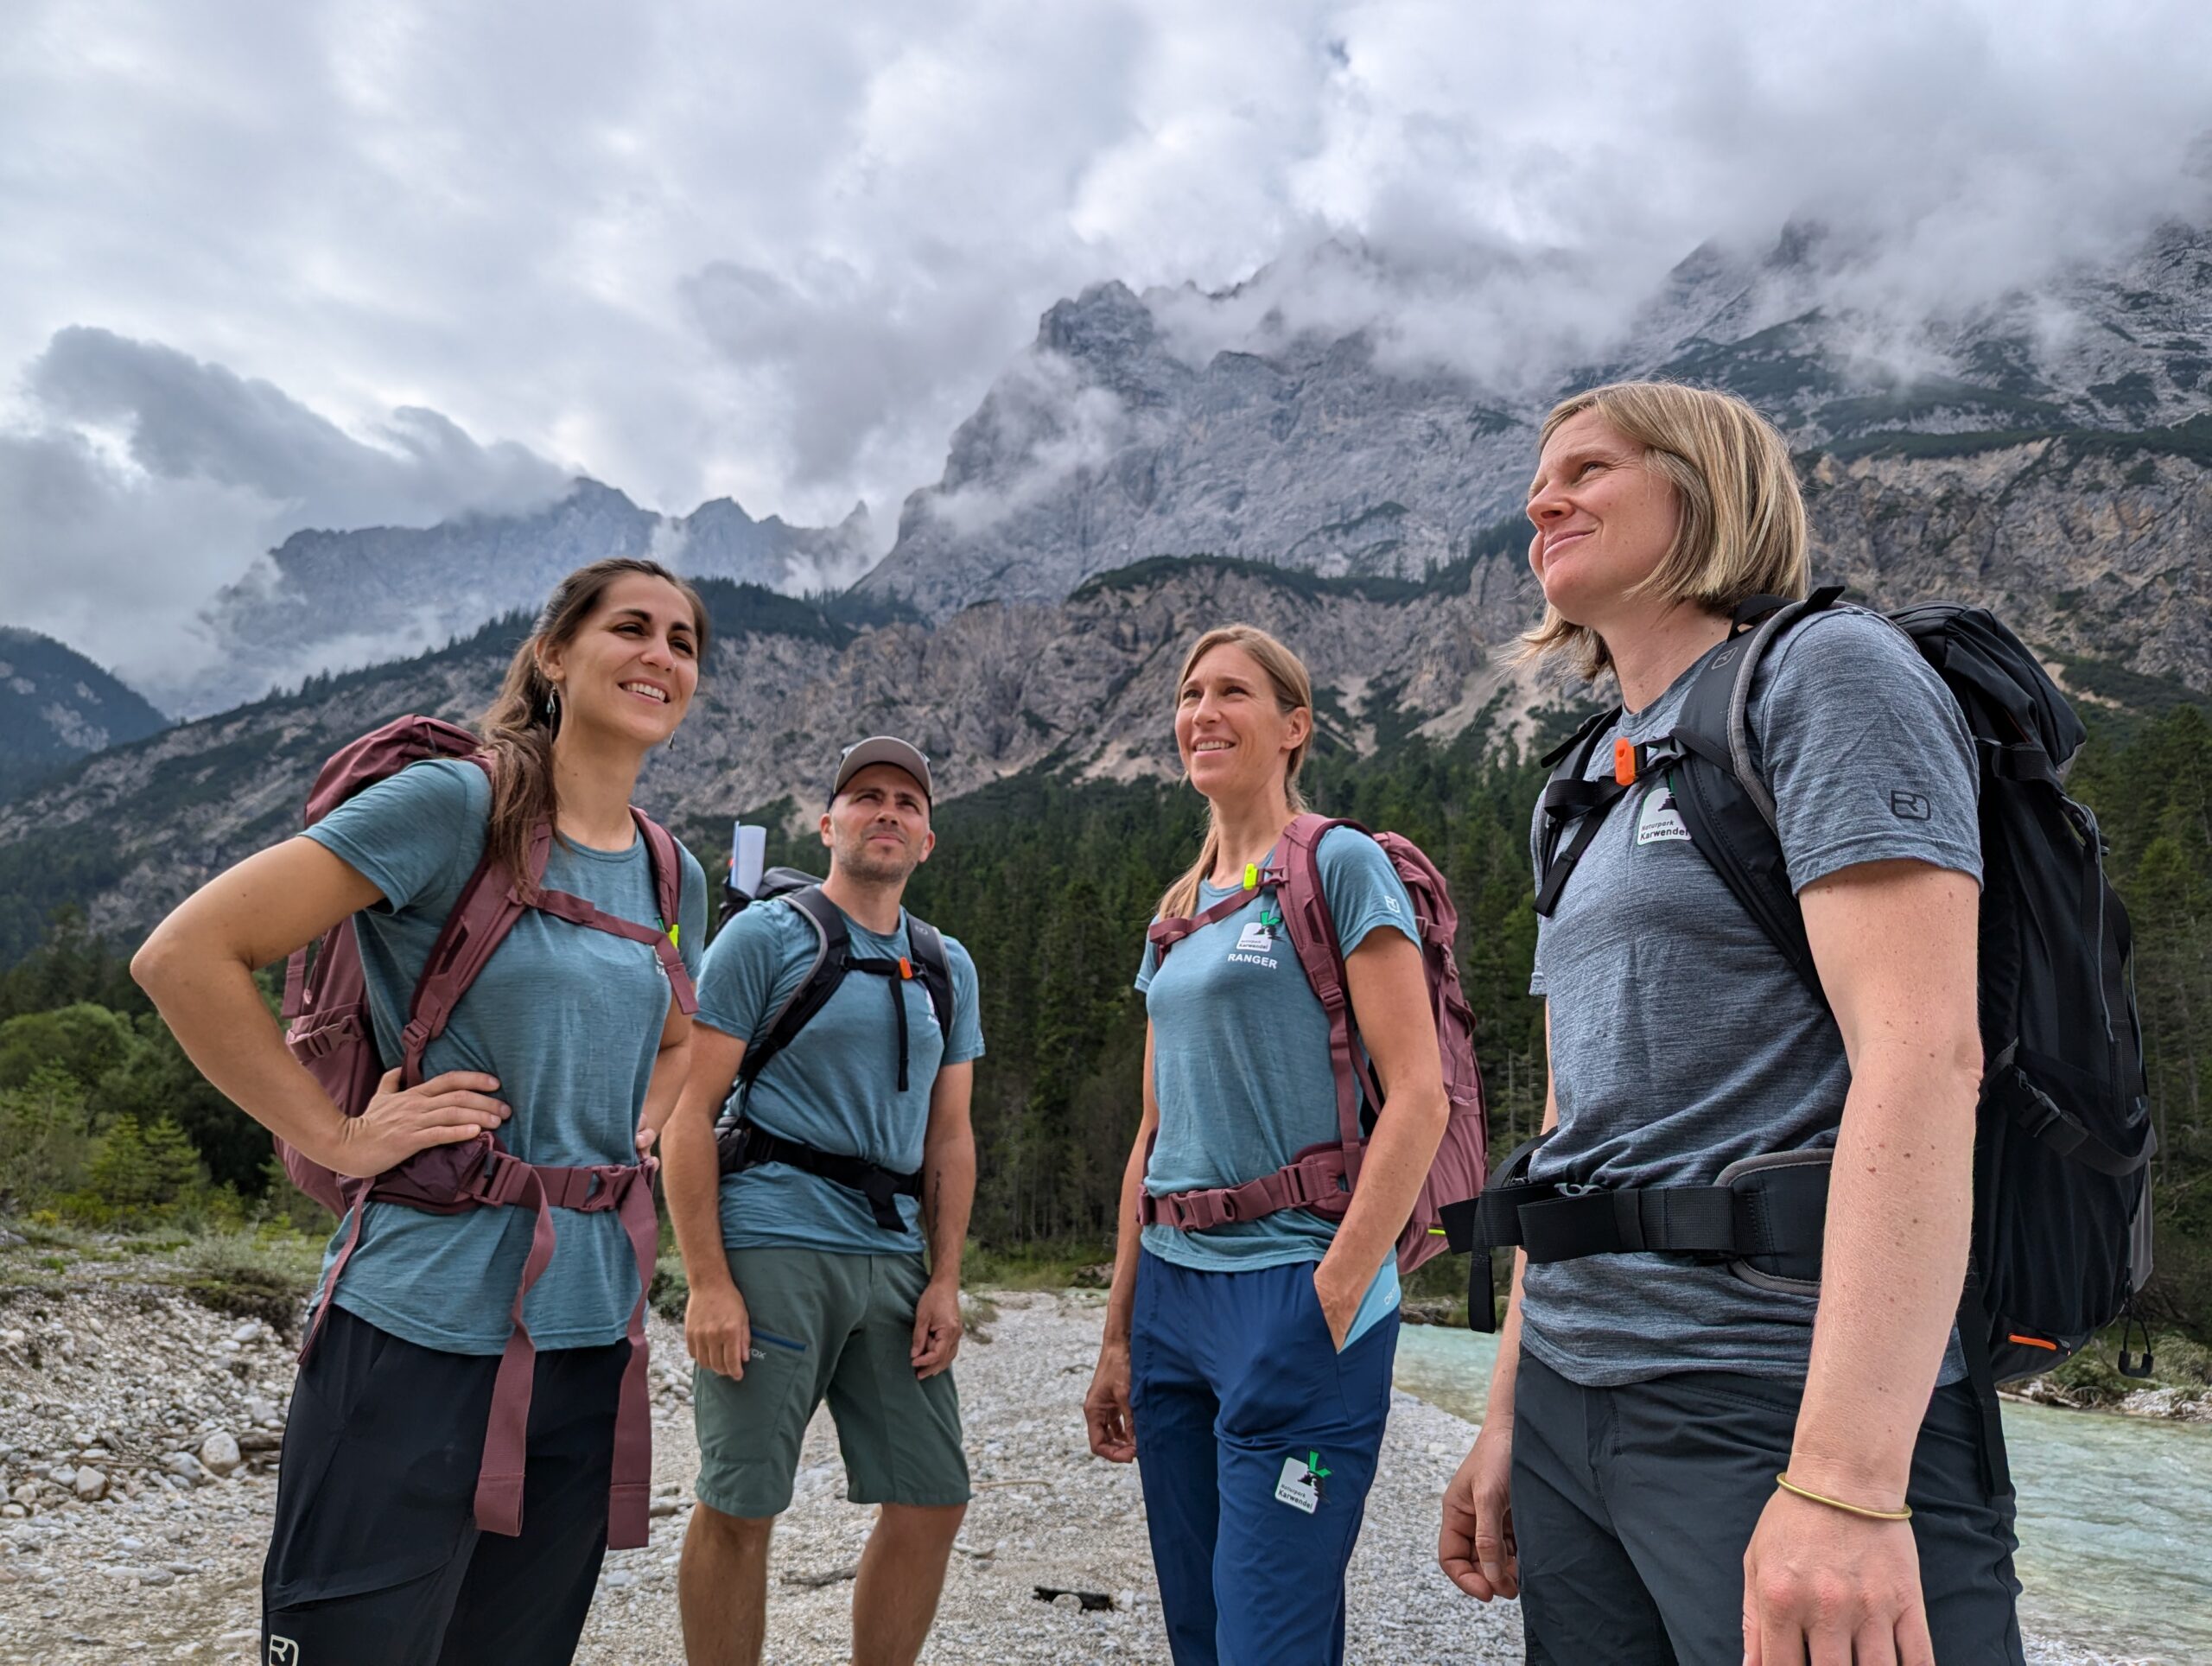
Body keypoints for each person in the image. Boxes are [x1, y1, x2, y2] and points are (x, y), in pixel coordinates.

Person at [1436, 381, 2019, 1663]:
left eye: (1592, 469)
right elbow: (1571, 1133)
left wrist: (1848, 1484)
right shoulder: (1582, 782)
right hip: (1576, 1398)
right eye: (1542, 477)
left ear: (1705, 487)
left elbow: (1926, 1058)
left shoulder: (1829, 673)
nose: (1545, 499)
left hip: (1771, 1397)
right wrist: (1506, 1414)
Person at [130, 556, 712, 1664]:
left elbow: (679, 1031)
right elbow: (186, 953)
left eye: (683, 643)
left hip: (592, 1333)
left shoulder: (665, 866)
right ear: (553, 654)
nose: (661, 656)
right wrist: (338, 1134)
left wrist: (628, 1130)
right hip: (418, 1321)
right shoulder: (459, 805)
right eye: (631, 628)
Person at [1083, 625, 1451, 1666]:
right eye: (1189, 691)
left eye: (1232, 691)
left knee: (1266, 1642)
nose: (1202, 710)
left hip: (1296, 1286)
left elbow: (1418, 1094)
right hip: (1172, 1299)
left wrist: (1331, 1296)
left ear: (1293, 726)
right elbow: (1153, 1136)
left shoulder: (1340, 864)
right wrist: (1119, 1333)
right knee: (1204, 1636)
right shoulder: (1176, 912)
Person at [661, 736, 983, 1666]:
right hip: (771, 1243)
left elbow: (950, 1134)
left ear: (926, 839)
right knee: (742, 1499)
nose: (887, 810)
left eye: (906, 803)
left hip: (892, 1257)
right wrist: (708, 1282)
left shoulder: (946, 963)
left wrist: (946, 1276)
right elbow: (690, 1115)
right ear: (828, 821)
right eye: (866, 796)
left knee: (932, 1494)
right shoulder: (765, 936)